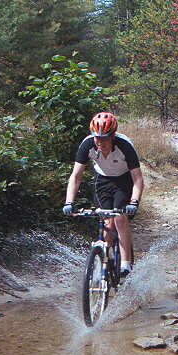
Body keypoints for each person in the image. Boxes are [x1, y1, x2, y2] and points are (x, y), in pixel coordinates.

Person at [63, 112, 144, 277]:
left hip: (124, 181)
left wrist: (134, 202)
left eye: (104, 138)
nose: (100, 142)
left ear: (113, 136)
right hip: (102, 181)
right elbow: (76, 176)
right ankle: (104, 265)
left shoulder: (125, 146)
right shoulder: (87, 145)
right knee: (107, 223)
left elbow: (137, 178)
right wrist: (68, 202)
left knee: (120, 218)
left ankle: (125, 264)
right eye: (97, 138)